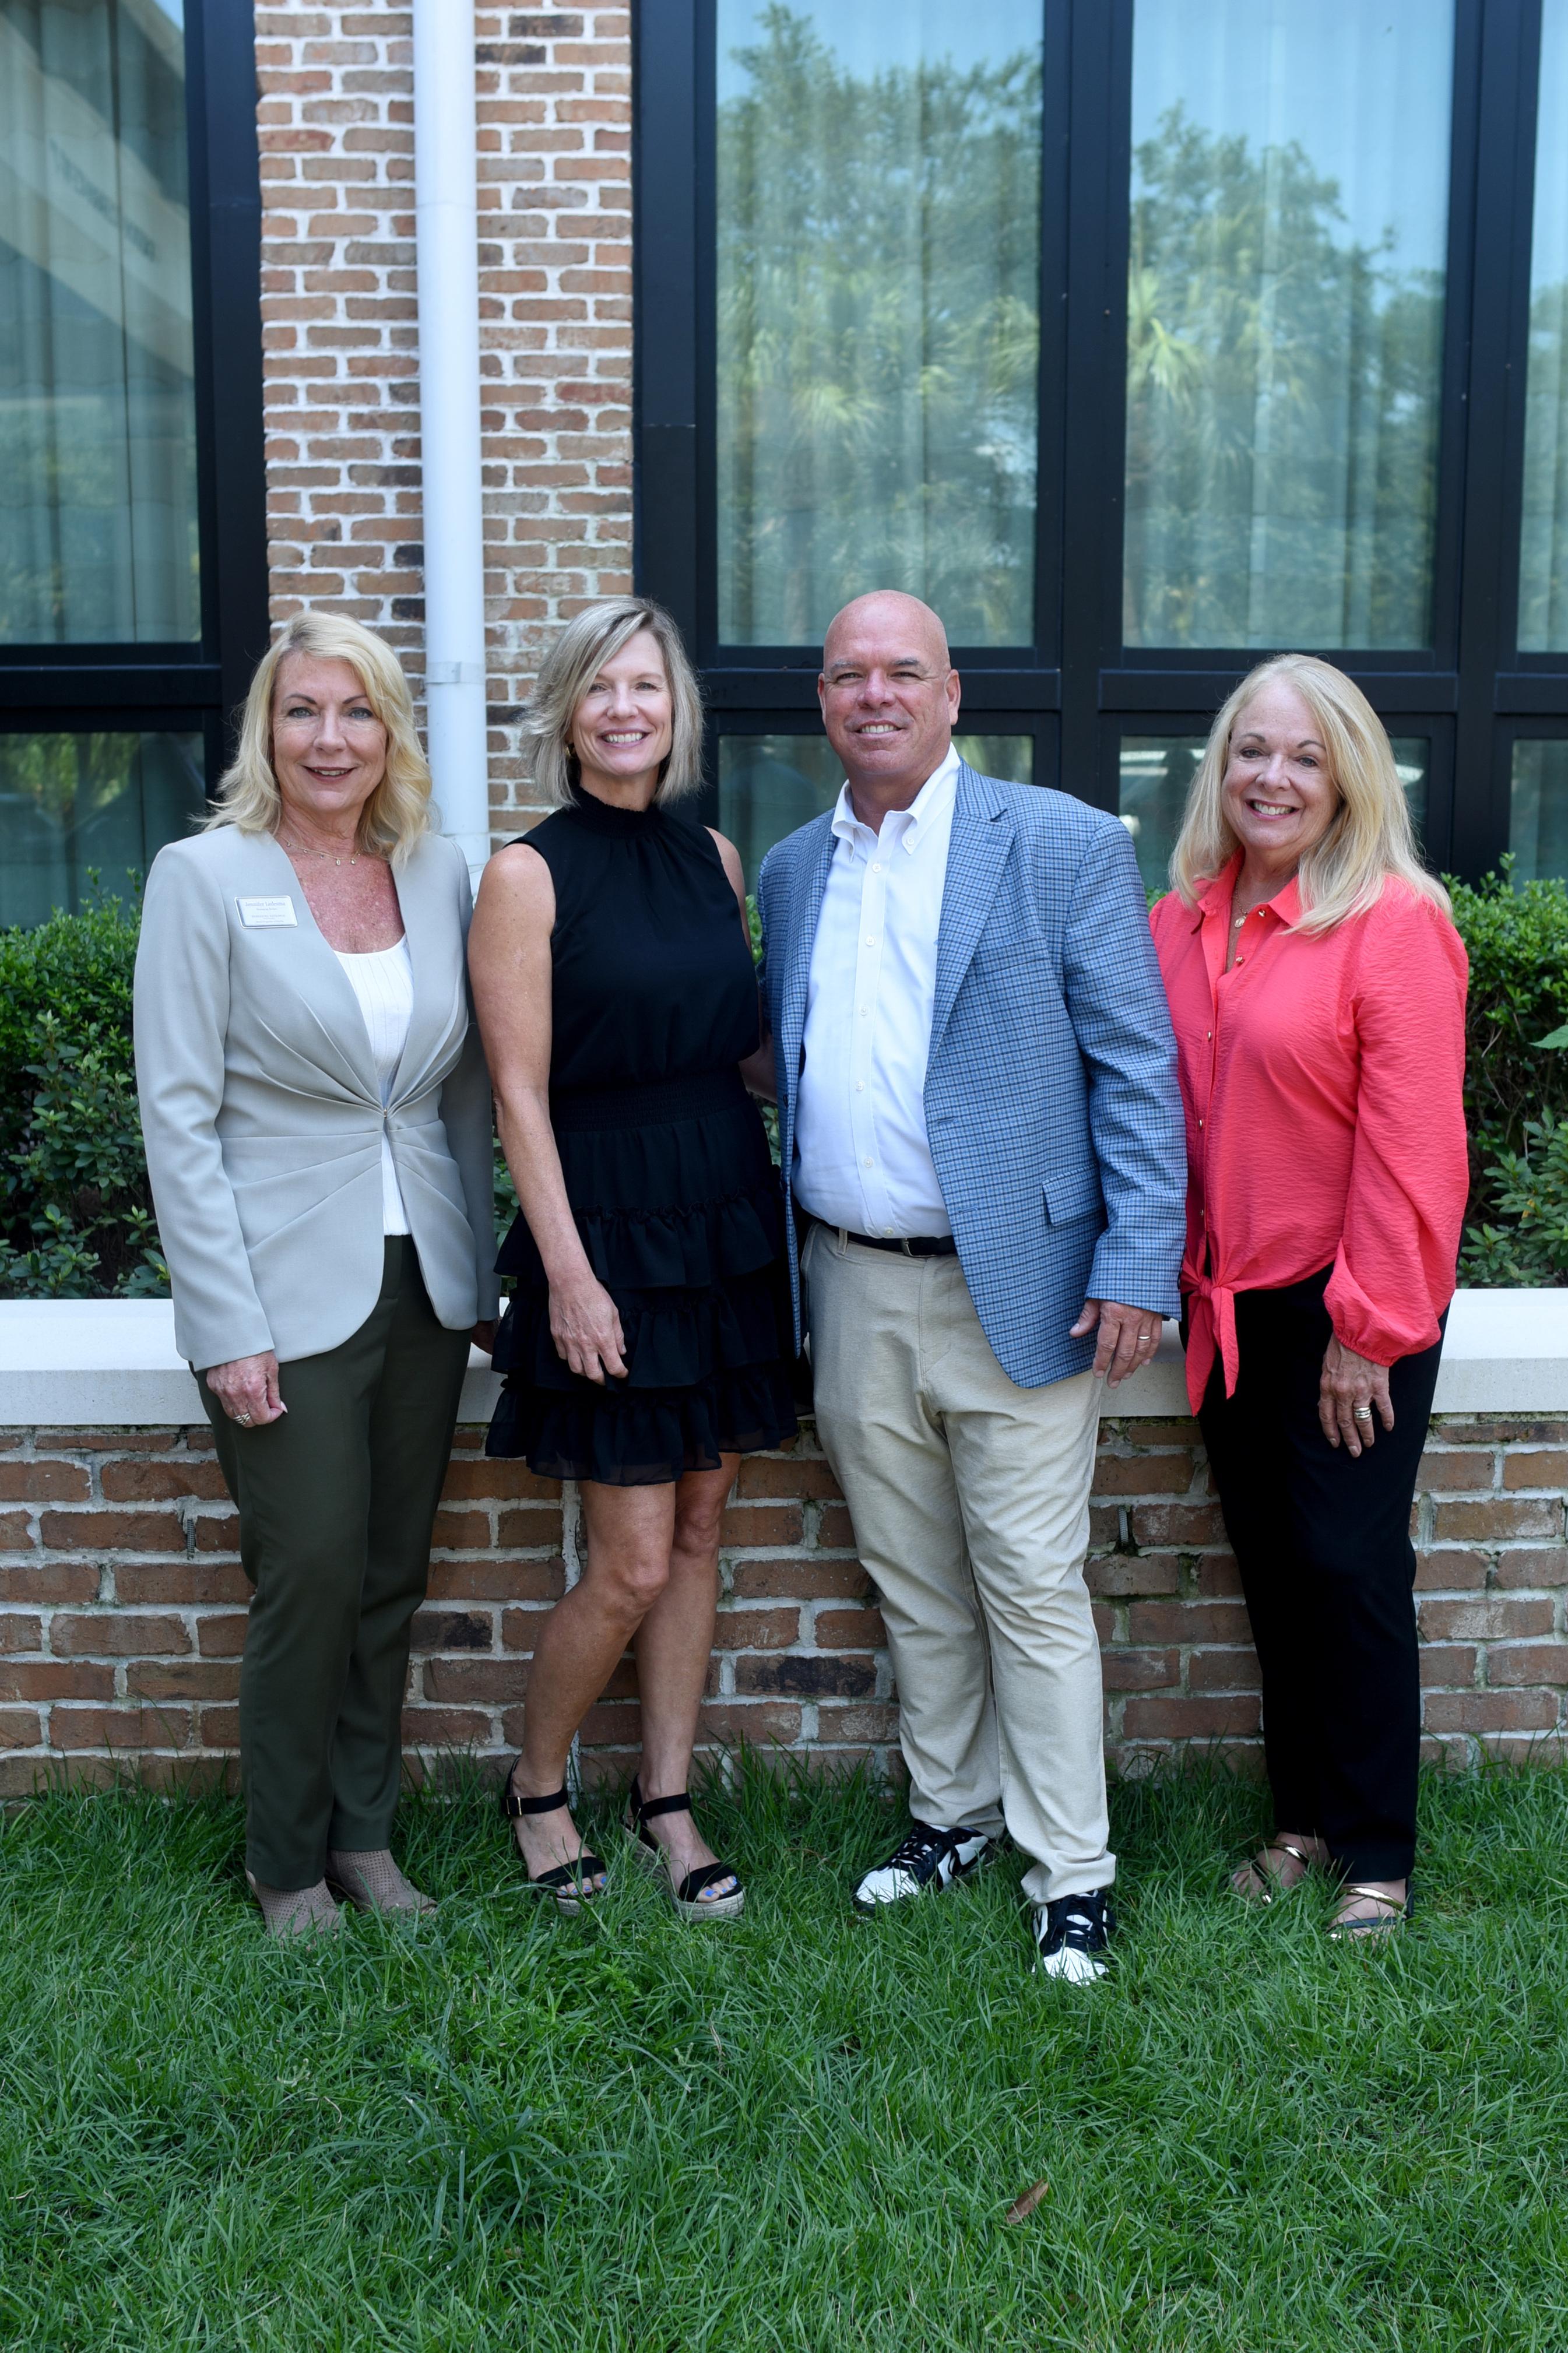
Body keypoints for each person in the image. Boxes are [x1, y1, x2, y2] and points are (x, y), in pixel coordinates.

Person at [755, 590, 1186, 1982]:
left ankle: (1073, 1873)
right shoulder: (792, 870)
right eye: (847, 675)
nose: (873, 695)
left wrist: (1136, 1262)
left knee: (1031, 1587)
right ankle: (952, 1814)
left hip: (1027, 1284)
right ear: (822, 703)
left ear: (951, 695)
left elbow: (1135, 1065)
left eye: (903, 671)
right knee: (912, 1579)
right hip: (851, 1283)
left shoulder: (1059, 842)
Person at [135, 612, 498, 1937]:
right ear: (265, 730)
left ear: (390, 731)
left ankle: (364, 1840)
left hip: (422, 1284)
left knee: (391, 1575)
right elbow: (178, 1118)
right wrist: (223, 1322)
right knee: (313, 1572)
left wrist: (480, 1281)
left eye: (356, 712)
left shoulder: (438, 870)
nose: (328, 739)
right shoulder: (202, 877)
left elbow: (461, 1097)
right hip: (279, 1292)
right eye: (302, 712)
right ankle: (284, 1863)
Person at [469, 597, 796, 1920]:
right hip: (606, 1225)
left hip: (720, 1211)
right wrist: (568, 1275)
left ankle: (666, 1799)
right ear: (565, 713)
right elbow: (517, 1092)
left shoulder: (714, 857)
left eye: (646, 686)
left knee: (704, 1526)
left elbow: (738, 1048)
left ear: (677, 709)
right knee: (633, 1560)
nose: (624, 709)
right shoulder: (525, 875)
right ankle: (535, 1787)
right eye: (599, 687)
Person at [1150, 655, 1468, 1939]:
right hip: (1225, 1307)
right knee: (1275, 1572)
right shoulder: (1180, 919)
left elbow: (1414, 1149)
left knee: (1347, 1568)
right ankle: (1301, 1823)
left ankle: (1377, 1850)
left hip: (1346, 1308)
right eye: (1250, 751)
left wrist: (1367, 1332)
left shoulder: (1392, 922)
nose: (1271, 777)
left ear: (1348, 778)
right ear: (1218, 768)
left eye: (1303, 756)